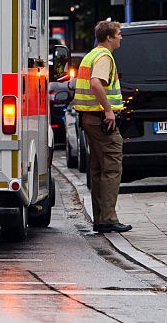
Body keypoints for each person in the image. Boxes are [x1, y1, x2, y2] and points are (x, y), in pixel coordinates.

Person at [73, 20, 131, 233]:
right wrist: (108, 110)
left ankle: (101, 218)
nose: (121, 37)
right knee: (112, 168)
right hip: (101, 120)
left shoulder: (91, 55)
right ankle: (107, 218)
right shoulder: (104, 57)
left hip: (90, 119)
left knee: (98, 170)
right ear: (109, 37)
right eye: (119, 34)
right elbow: (96, 83)